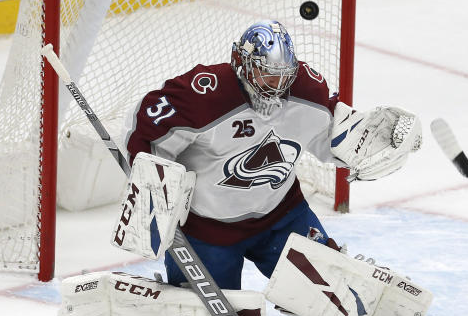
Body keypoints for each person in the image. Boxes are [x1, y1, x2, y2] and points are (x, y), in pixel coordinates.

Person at [120, 19, 420, 290]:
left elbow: (339, 138)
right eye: (266, 75)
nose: (276, 87)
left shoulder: (306, 90)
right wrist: (153, 187)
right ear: (242, 63)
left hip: (282, 218)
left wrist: (379, 141)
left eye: (283, 76)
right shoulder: (203, 96)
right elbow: (146, 129)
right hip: (207, 231)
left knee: (333, 289)